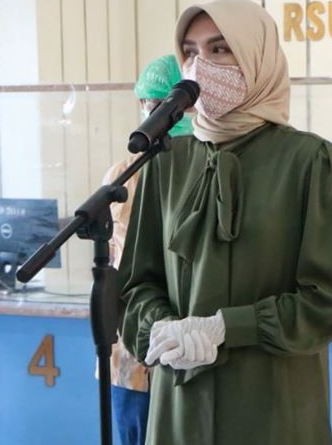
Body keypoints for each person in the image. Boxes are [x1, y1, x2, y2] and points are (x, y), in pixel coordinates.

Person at [118, 0, 332, 445]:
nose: (200, 65)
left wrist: (227, 327)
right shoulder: (166, 162)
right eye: (189, 52)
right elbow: (135, 286)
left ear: (257, 55)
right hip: (179, 409)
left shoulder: (309, 161)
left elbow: (328, 298)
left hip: (272, 408)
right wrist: (162, 326)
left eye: (220, 49)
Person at [103, 53, 193, 445]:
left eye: (162, 106)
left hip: (185, 345)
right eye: (148, 103)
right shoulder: (124, 173)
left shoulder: (205, 170)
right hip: (128, 348)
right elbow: (115, 256)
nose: (152, 113)